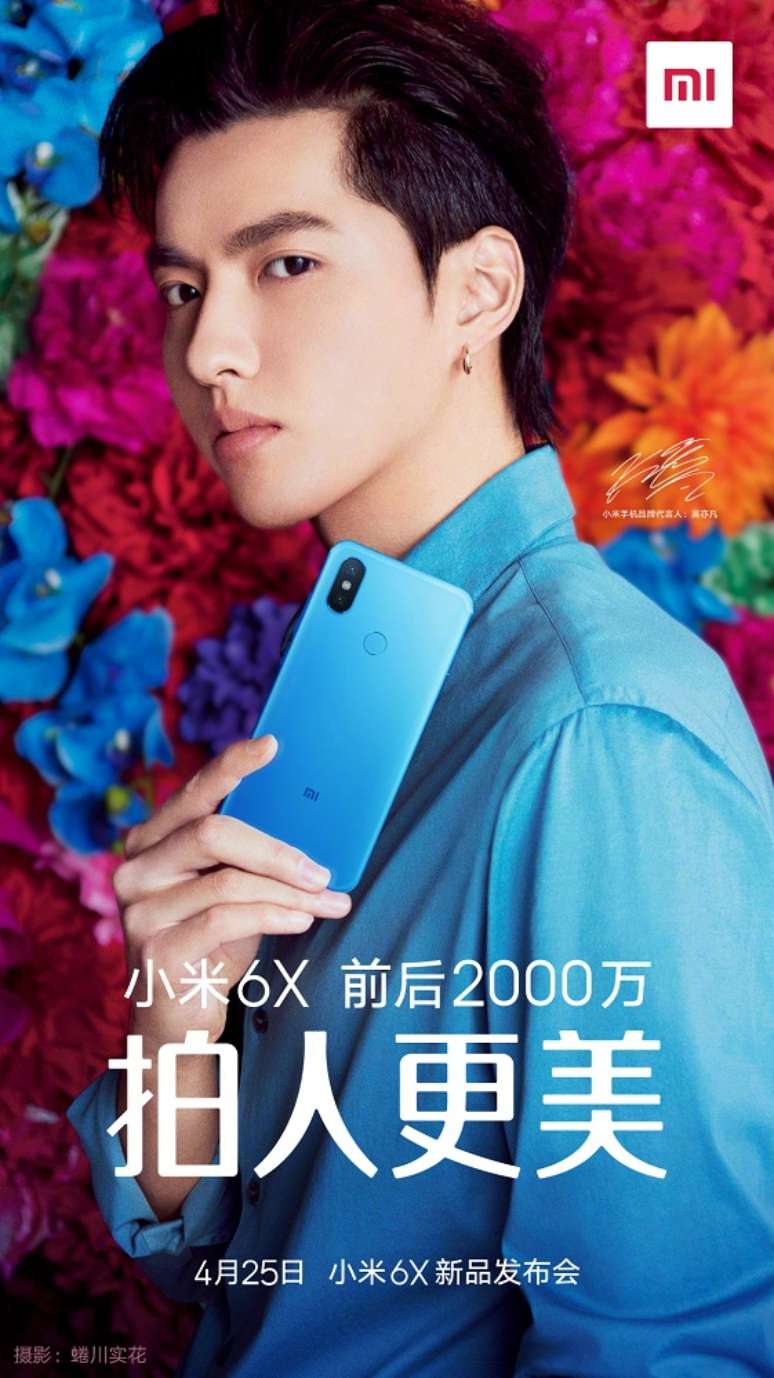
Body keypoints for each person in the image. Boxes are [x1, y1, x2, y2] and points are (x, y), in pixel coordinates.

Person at [66, 1, 774, 1374]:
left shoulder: (596, 728)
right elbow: (231, 1264)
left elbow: (674, 1349)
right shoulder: (365, 661)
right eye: (183, 288)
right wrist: (178, 1023)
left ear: (477, 291)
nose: (207, 351)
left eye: (284, 263)